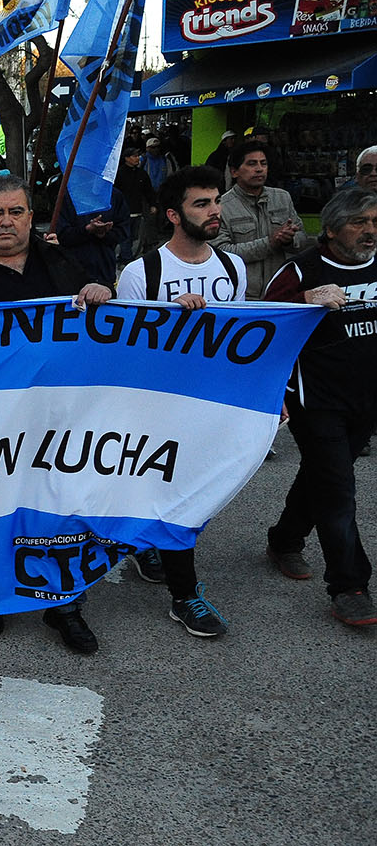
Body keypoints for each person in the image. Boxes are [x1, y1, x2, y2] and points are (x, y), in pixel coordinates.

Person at [0, 174, 111, 654]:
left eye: (15, 212)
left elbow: (105, 337)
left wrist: (101, 297)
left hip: (58, 418)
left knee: (58, 507)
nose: (6, 222)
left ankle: (63, 602)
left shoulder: (68, 268)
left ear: (31, 216)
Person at [113, 165, 243, 639]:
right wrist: (174, 323)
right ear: (173, 214)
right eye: (201, 204)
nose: (214, 211)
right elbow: (124, 350)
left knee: (191, 491)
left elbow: (243, 339)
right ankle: (185, 596)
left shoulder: (231, 268)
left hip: (210, 406)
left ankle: (152, 545)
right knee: (170, 493)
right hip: (155, 407)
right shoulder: (141, 272)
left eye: (216, 201)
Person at [261, 188, 377, 627]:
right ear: (330, 228)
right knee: (338, 491)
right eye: (359, 223)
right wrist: (304, 301)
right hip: (317, 401)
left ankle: (284, 539)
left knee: (323, 478)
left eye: (375, 222)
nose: (370, 232)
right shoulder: (301, 270)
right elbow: (261, 321)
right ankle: (349, 586)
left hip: (365, 400)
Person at [216, 139, 310, 299]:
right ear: (234, 172)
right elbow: (223, 253)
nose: (259, 169)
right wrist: (270, 243)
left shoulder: (282, 198)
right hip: (243, 295)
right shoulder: (222, 206)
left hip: (281, 291)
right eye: (252, 164)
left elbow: (303, 239)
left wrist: (289, 240)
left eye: (263, 163)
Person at [54, 188, 131, 289]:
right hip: (72, 270)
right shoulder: (66, 196)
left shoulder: (114, 195)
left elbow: (123, 231)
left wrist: (104, 234)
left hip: (104, 270)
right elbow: (60, 235)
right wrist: (86, 230)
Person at [116, 144, 162, 258]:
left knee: (134, 236)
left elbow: (148, 191)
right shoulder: (120, 173)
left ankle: (125, 256)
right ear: (126, 158)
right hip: (124, 211)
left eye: (137, 155)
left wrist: (153, 204)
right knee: (125, 236)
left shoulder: (141, 173)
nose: (137, 158)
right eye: (134, 156)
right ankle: (126, 258)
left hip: (138, 210)